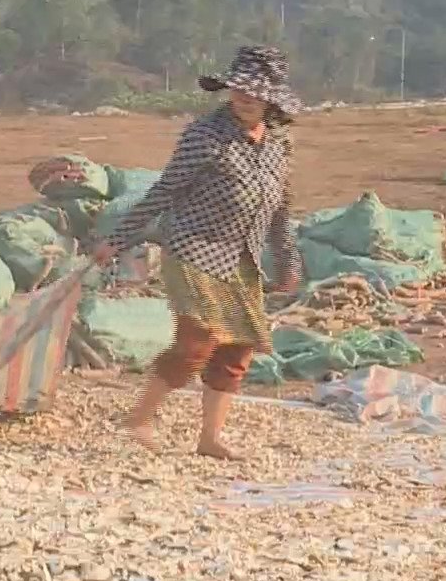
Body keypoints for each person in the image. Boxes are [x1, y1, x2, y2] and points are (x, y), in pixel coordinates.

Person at [92, 45, 302, 459]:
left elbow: (280, 206)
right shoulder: (205, 136)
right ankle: (138, 420)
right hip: (196, 248)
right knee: (199, 340)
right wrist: (117, 239)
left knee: (237, 347)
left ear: (270, 99)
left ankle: (210, 438)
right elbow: (164, 191)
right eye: (237, 90)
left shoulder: (279, 143)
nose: (243, 98)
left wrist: (288, 259)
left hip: (243, 255)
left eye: (254, 92)